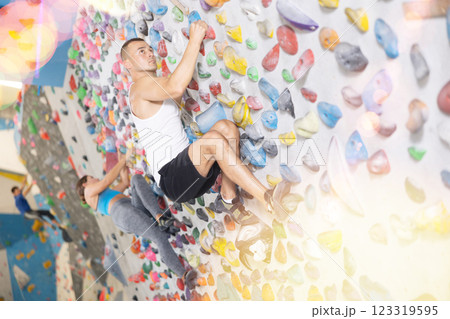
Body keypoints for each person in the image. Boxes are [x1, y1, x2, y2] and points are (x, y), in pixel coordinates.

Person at [120, 21, 289, 225]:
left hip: (190, 171)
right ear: (128, 64)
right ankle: (268, 199)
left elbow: (174, 87)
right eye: (141, 51)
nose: (149, 53)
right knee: (214, 141)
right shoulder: (138, 88)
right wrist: (195, 38)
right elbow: (175, 87)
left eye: (149, 49)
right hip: (171, 178)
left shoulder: (155, 86)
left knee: (227, 129)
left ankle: (230, 199)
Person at [75, 149, 197, 286]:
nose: (95, 179)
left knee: (136, 179)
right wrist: (122, 161)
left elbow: (125, 183)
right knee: (159, 237)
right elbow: (107, 180)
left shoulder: (104, 193)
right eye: (92, 178)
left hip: (131, 207)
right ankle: (184, 275)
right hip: (123, 213)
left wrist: (123, 162)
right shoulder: (88, 191)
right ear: (85, 183)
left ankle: (159, 216)